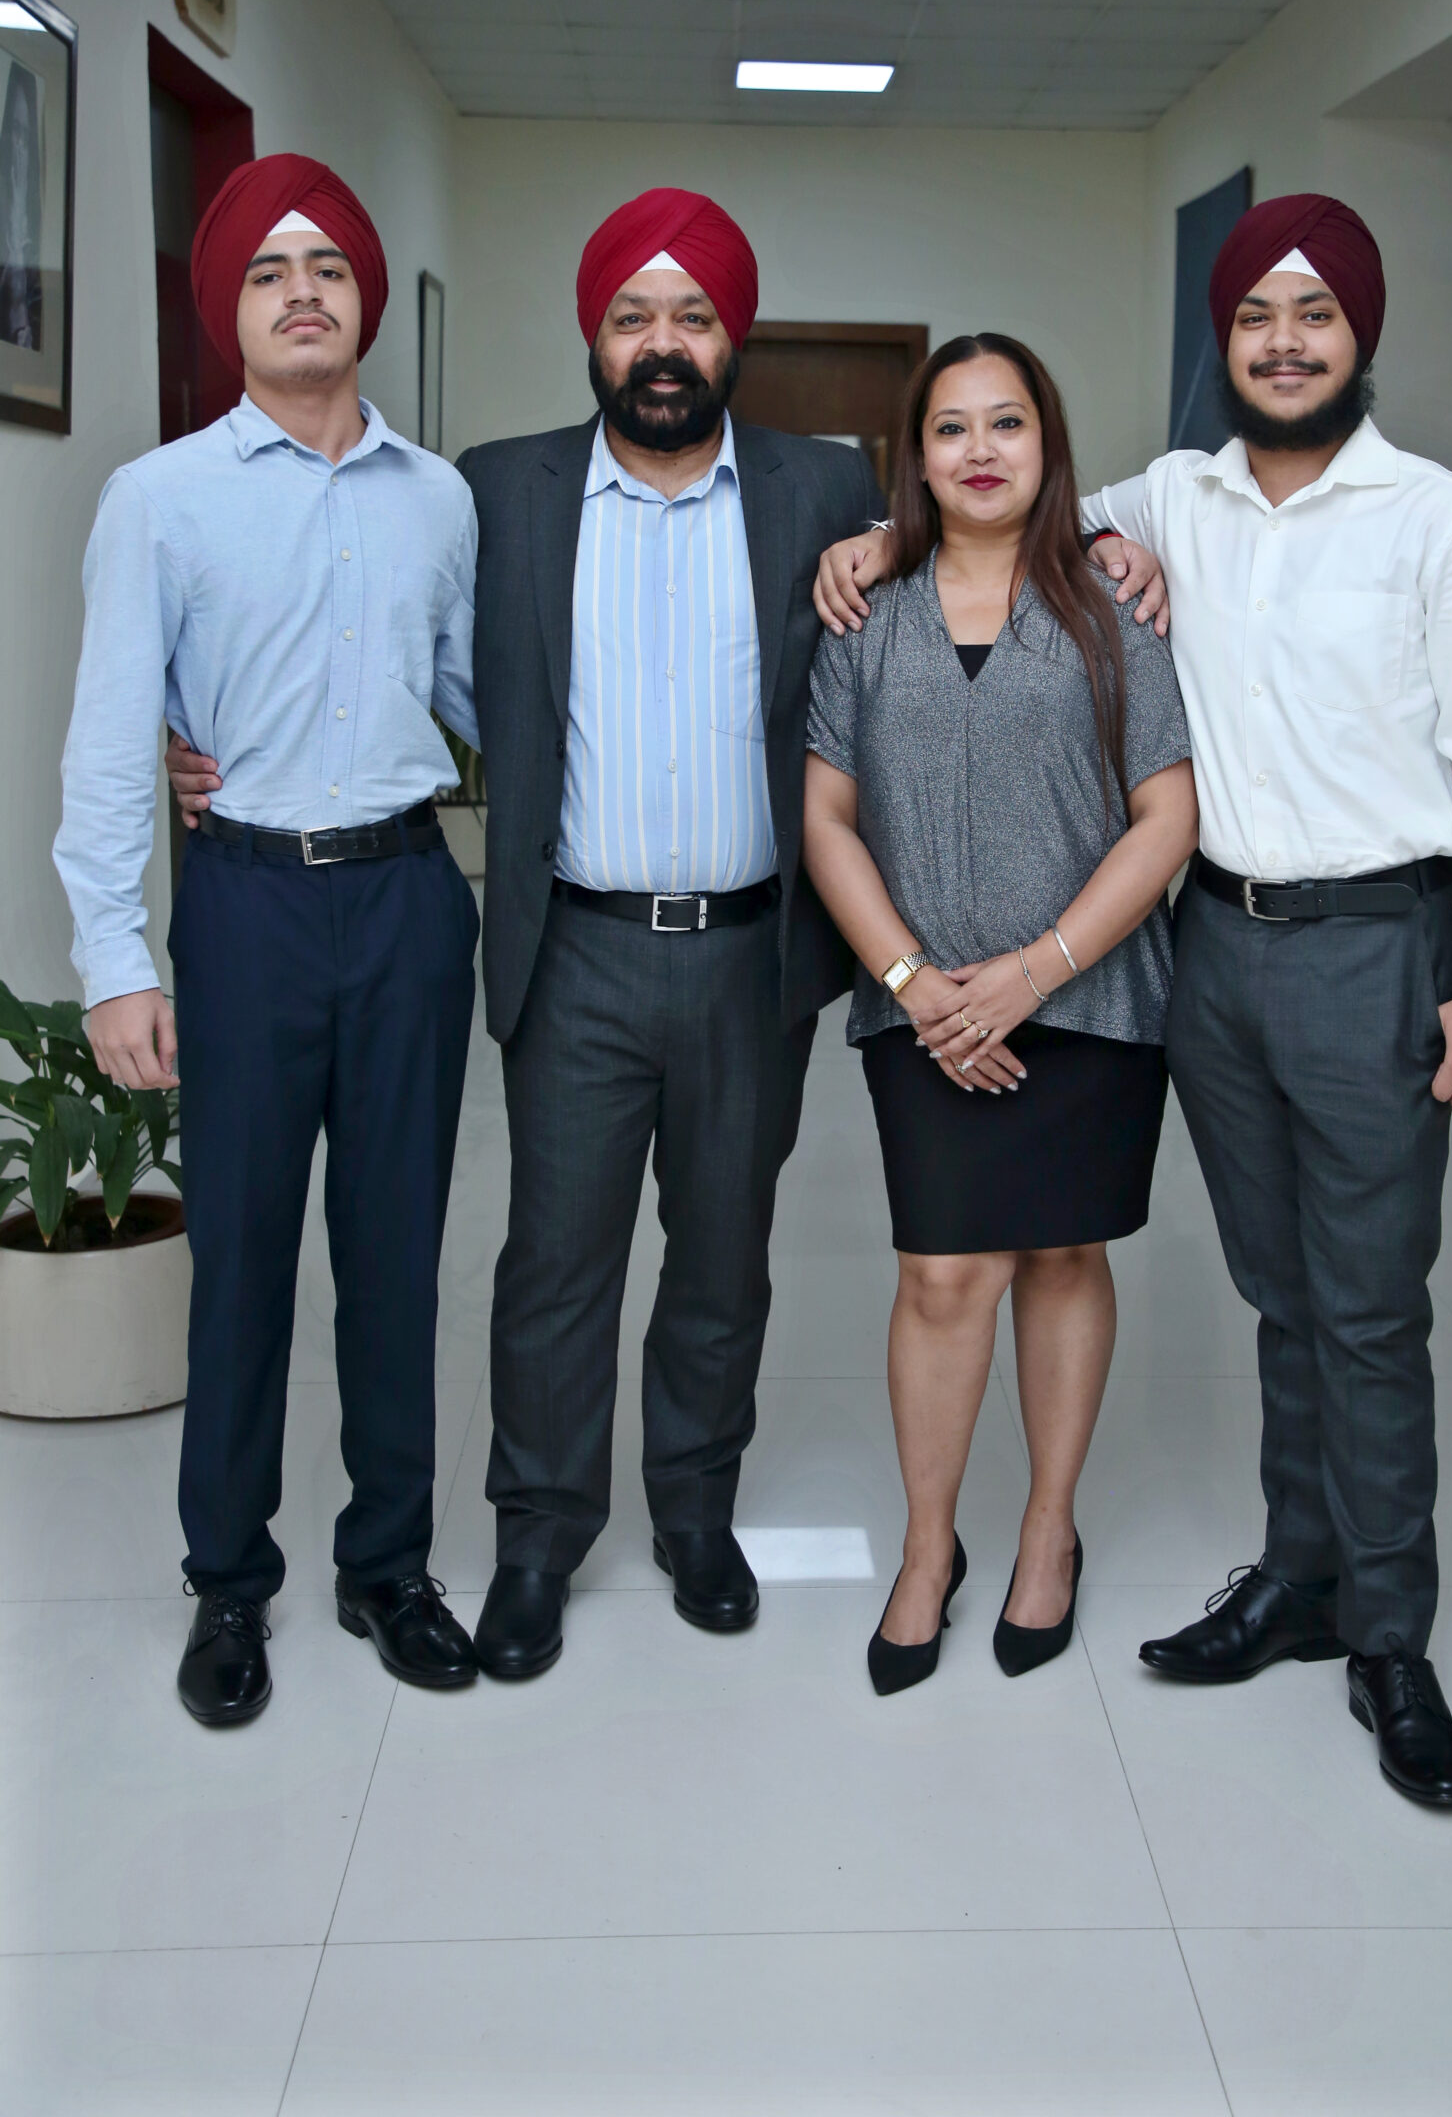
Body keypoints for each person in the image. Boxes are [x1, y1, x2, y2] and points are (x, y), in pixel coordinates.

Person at [813, 194, 1452, 1806]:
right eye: (1254, 319)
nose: (1284, 344)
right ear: (1221, 342)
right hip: (1209, 955)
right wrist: (880, 538)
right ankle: (1304, 1577)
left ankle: (1392, 1638)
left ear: (1360, 336)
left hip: (1379, 943)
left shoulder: (1446, 522)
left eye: (1315, 317)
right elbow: (996, 495)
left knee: (1370, 1303)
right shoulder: (1176, 499)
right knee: (1280, 1288)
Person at [58, 155, 483, 1727]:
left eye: (327, 268)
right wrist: (116, 956)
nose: (303, 292)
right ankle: (228, 1585)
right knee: (238, 1262)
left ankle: (388, 1564)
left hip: (407, 898)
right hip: (243, 904)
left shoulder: (437, 498)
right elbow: (113, 738)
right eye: (266, 272)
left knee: (395, 1255)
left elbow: (469, 697)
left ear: (364, 299)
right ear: (227, 310)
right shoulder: (161, 498)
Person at [449, 188, 888, 1679]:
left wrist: (1123, 559)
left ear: (731, 336)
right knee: (554, 1260)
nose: (661, 343)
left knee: (721, 1253)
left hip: (753, 957)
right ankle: (538, 1535)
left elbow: (985, 539)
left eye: (692, 315)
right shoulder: (500, 488)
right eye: (633, 314)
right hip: (573, 949)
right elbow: (415, 665)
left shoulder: (825, 492)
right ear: (594, 332)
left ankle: (696, 1511)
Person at [803, 334, 1196, 1696]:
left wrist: (1037, 970)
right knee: (942, 1272)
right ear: (914, 456)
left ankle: (1045, 1532)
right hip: (920, 1006)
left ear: (1048, 444)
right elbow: (828, 819)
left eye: (1008, 423)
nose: (980, 450)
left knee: (1063, 1259)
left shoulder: (1111, 606)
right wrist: (916, 985)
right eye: (952, 427)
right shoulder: (865, 611)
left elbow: (1167, 817)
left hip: (1090, 995)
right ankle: (928, 1550)